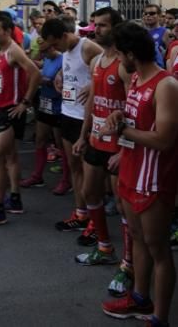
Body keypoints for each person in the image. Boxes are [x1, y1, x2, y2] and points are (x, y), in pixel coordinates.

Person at [100, 22, 178, 327]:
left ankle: (160, 317)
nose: (118, 59)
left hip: (155, 179)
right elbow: (135, 123)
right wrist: (122, 118)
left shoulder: (166, 85)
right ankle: (140, 299)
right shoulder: (135, 78)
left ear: (132, 53)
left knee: (158, 248)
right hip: (131, 172)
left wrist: (124, 129)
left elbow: (165, 139)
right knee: (138, 239)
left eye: (120, 54)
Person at [72, 8, 132, 282]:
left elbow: (135, 109)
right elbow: (93, 104)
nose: (97, 29)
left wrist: (125, 146)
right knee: (89, 191)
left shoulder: (123, 64)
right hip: (96, 139)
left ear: (116, 28)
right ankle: (105, 247)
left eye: (103, 25)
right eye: (95, 25)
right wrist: (83, 136)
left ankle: (128, 264)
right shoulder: (97, 62)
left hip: (120, 143)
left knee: (122, 205)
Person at [0, 14, 41, 228]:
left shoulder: (13, 50)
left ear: (8, 30)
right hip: (1, 107)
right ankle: (14, 197)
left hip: (12, 111)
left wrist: (25, 102)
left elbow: (35, 73)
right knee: (10, 156)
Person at [41, 15, 102, 234]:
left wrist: (94, 84)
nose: (56, 49)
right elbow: (69, 68)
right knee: (74, 168)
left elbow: (110, 65)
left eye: (56, 43)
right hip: (67, 113)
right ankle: (81, 213)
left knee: (89, 175)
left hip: (84, 118)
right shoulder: (65, 51)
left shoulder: (88, 47)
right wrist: (59, 74)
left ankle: (96, 221)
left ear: (65, 35)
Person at [20, 38, 70, 194]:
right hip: (44, 103)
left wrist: (42, 79)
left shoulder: (63, 59)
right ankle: (37, 175)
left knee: (61, 145)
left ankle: (66, 180)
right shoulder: (47, 59)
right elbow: (43, 70)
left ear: (51, 46)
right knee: (40, 140)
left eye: (44, 50)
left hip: (58, 107)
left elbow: (60, 81)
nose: (41, 53)